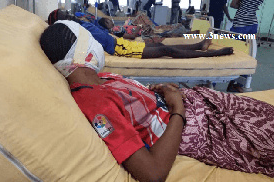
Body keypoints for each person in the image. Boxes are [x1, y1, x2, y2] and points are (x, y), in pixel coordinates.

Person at [39, 21, 274, 181]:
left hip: (199, 103)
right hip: (201, 123)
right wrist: (177, 108)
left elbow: (133, 106)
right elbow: (152, 173)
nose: (98, 44)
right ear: (82, 52)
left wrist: (155, 92)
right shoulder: (94, 102)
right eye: (90, 39)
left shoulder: (99, 79)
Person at [48, 9, 233, 59]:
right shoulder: (72, 30)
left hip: (116, 41)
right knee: (164, 50)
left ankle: (198, 45)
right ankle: (212, 53)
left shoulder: (81, 21)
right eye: (65, 16)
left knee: (162, 45)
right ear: (62, 22)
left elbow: (100, 29)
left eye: (67, 13)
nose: (69, 15)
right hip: (118, 48)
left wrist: (105, 25)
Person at [227, 0, 264, 92]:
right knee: (247, 53)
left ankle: (216, 81)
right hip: (252, 24)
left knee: (233, 52)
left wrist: (242, 4)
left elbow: (233, 5)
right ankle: (238, 84)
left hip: (241, 23)